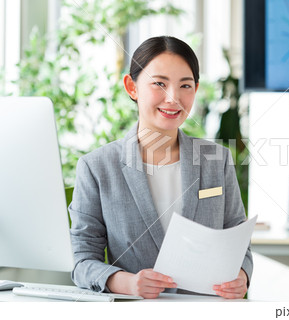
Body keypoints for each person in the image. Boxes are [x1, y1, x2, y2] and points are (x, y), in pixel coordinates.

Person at [69, 36, 253, 299]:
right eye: (159, 84)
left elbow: (238, 241)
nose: (173, 98)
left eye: (185, 85)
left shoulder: (217, 159)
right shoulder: (96, 167)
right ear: (132, 87)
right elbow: (82, 261)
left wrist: (242, 275)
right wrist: (128, 283)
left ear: (196, 89)